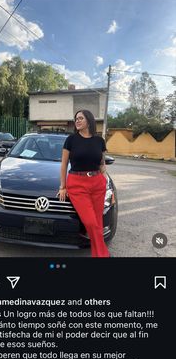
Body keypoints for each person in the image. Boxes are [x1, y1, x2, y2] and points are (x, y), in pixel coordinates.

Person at [57, 109, 110, 258]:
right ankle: (104, 254)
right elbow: (64, 164)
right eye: (76, 119)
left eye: (80, 118)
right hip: (77, 184)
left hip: (97, 183)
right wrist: (63, 186)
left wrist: (104, 178)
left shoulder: (99, 141)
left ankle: (97, 254)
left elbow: (101, 163)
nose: (77, 121)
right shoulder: (71, 140)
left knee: (98, 223)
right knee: (91, 222)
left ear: (89, 120)